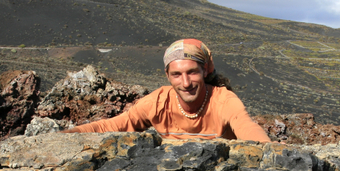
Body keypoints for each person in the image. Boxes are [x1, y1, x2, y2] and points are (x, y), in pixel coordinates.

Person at [65, 39, 271, 143]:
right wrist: (68, 135)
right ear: (167, 75)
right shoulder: (157, 101)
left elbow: (246, 126)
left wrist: (270, 150)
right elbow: (114, 125)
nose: (186, 82)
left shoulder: (223, 99)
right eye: (176, 75)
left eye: (192, 73)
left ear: (205, 70)